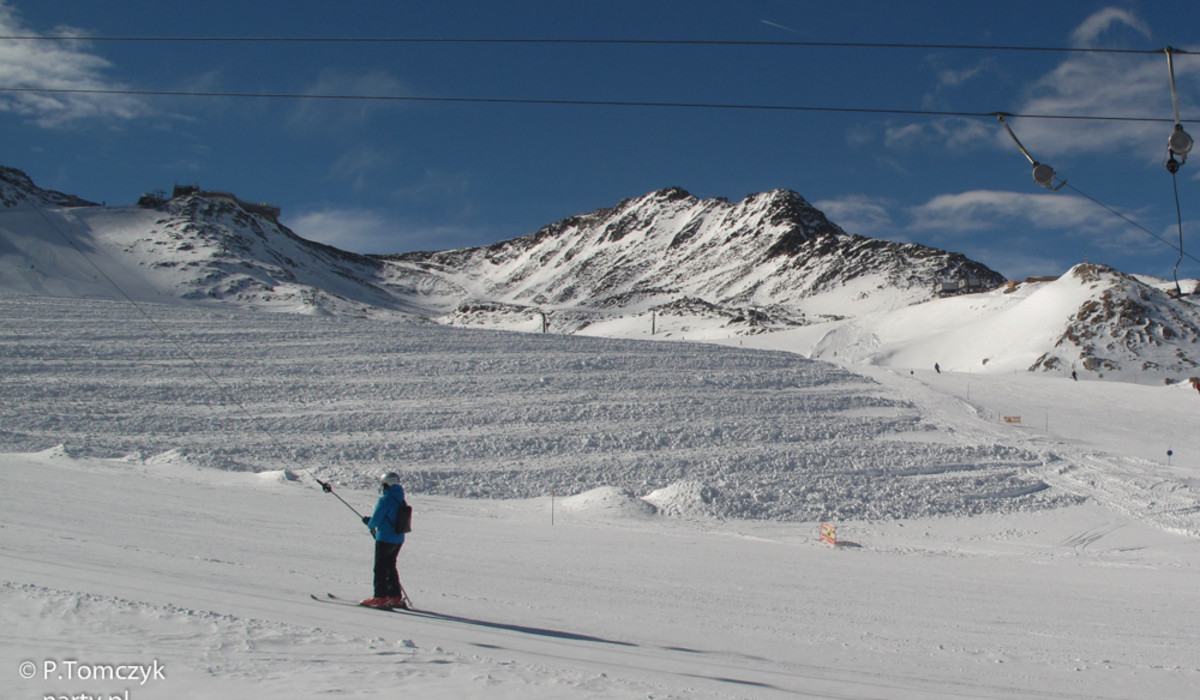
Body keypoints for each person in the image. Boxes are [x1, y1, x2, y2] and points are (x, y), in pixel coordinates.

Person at [361, 472, 408, 609]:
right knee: (390, 567)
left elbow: (375, 521)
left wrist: (368, 522)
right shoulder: (401, 499)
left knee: (380, 568)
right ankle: (395, 598)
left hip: (385, 538)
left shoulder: (385, 500)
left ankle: (380, 598)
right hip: (398, 539)